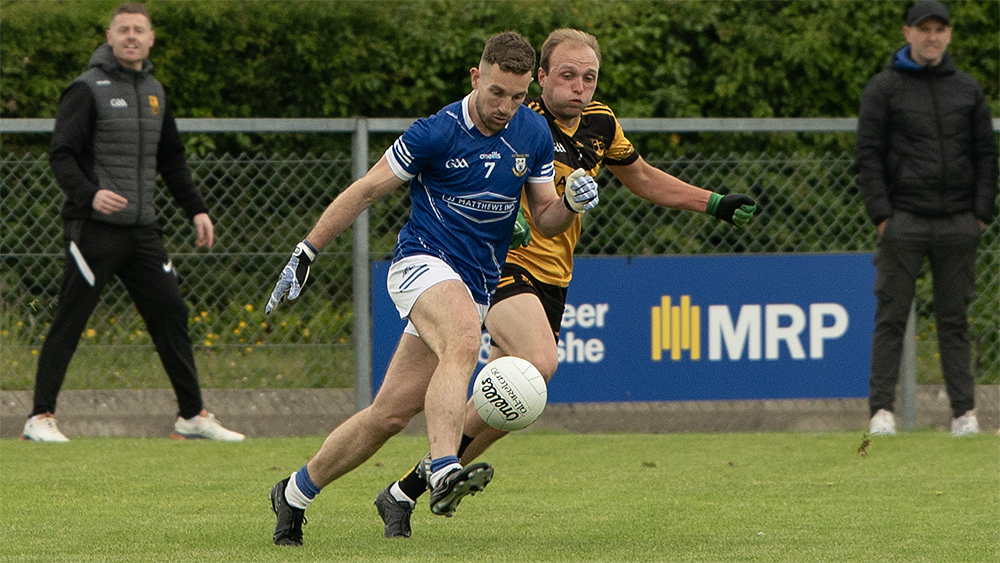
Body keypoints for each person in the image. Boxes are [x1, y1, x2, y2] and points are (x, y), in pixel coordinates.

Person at [373, 28, 758, 539]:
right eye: (567, 75)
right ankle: (437, 469)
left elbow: (642, 178)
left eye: (589, 77)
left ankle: (406, 491)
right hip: (501, 265)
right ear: (542, 77)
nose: (579, 86)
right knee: (539, 365)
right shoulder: (520, 120)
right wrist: (506, 215)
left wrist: (714, 203)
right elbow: (480, 176)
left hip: (555, 277)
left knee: (510, 402)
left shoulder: (601, 124)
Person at [264, 31, 599, 546]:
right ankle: (443, 468)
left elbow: (546, 219)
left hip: (478, 281)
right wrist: (307, 249)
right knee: (464, 339)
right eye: (495, 93)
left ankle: (293, 492)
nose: (504, 107)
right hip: (421, 263)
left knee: (389, 415)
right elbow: (366, 190)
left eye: (515, 97)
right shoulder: (436, 132)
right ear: (476, 77)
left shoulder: (531, 132)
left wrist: (570, 203)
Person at [20, 3, 244, 443]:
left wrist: (197, 209)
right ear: (109, 36)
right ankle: (39, 417)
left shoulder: (156, 91)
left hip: (143, 232)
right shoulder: (86, 89)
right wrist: (90, 194)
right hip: (95, 229)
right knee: (70, 319)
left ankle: (191, 416)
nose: (131, 37)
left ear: (151, 38)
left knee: (171, 313)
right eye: (123, 30)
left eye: (139, 30)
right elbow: (61, 155)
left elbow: (172, 161)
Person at [856, 1, 997, 438]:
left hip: (958, 223)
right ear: (908, 33)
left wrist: (980, 214)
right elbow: (868, 155)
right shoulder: (883, 88)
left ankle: (964, 414)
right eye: (924, 29)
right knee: (891, 317)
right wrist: (883, 216)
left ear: (949, 35)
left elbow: (986, 155)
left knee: (955, 321)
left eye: (939, 29)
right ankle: (882, 412)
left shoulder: (967, 89)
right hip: (904, 221)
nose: (932, 37)